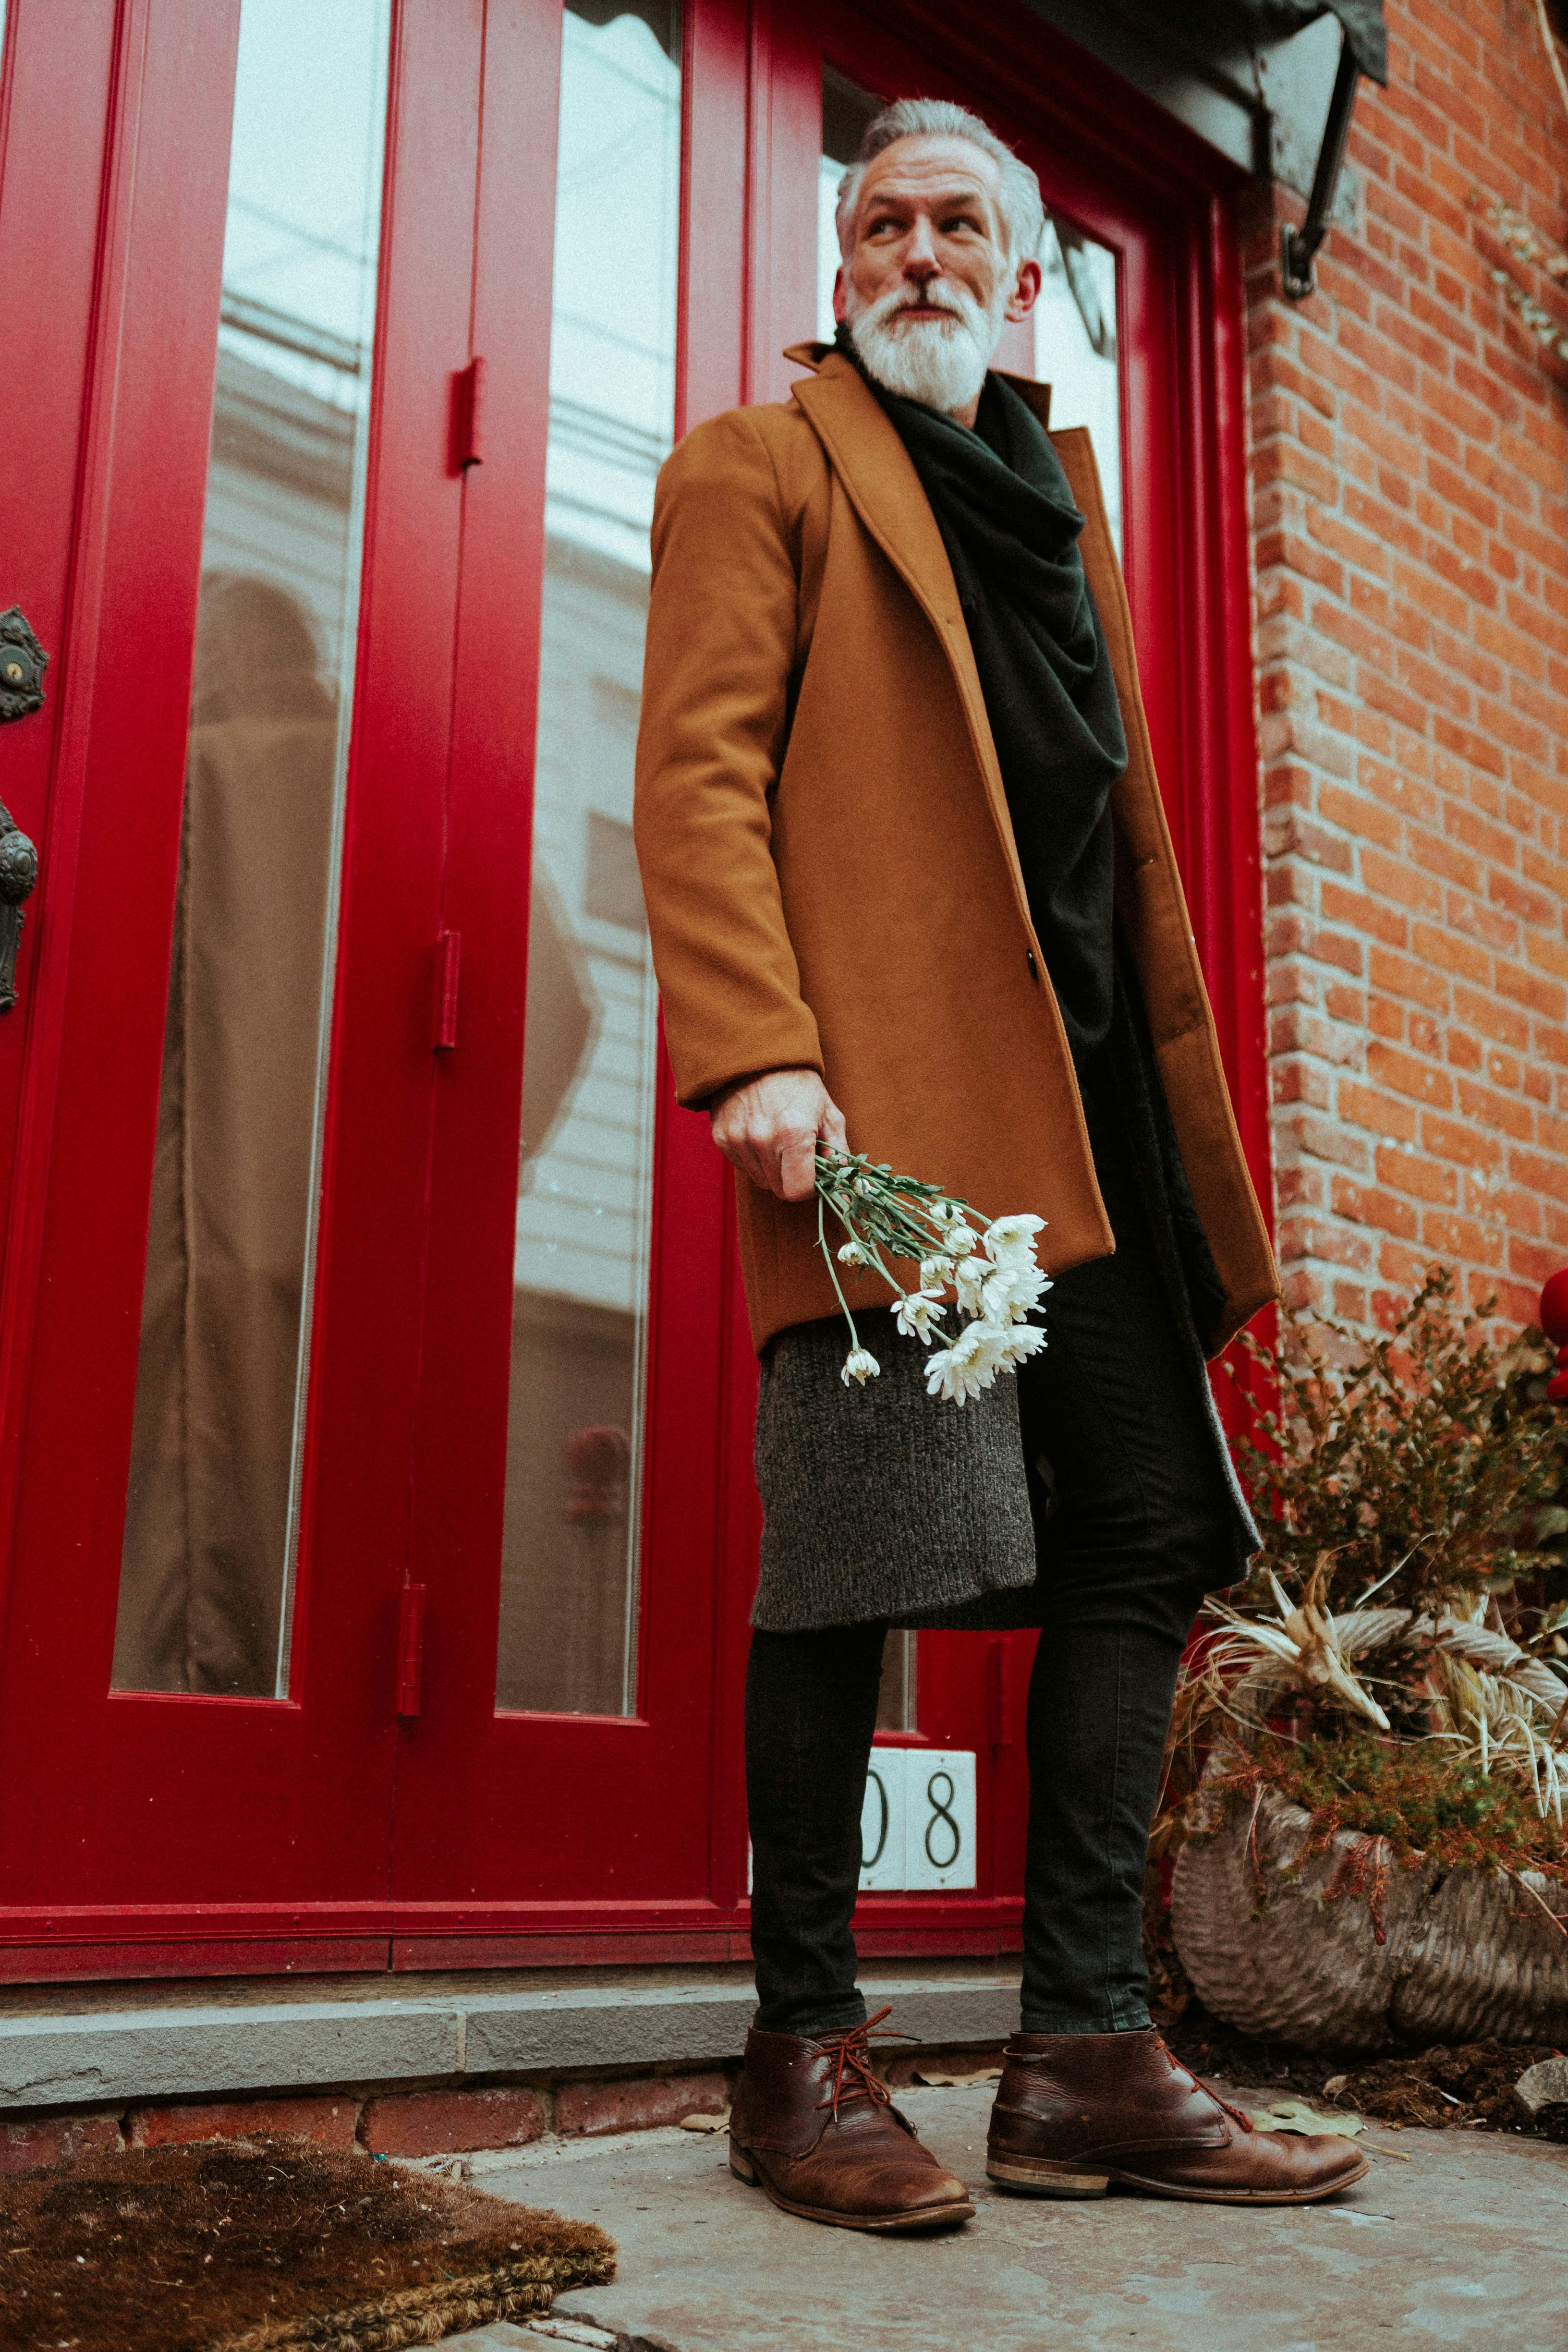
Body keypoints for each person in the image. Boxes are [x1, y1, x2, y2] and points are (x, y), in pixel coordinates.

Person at [633, 98, 1366, 2230]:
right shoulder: (758, 465)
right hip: (892, 1121)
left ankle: (1082, 2053)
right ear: (839, 267)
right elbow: (695, 779)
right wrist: (757, 1050)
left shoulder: (1060, 495)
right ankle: (801, 2046)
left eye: (963, 224)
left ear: (1021, 276)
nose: (924, 252)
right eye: (886, 223)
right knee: (854, 1561)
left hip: (1093, 1120)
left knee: (1145, 1528)